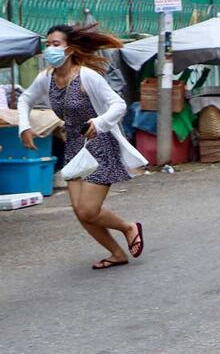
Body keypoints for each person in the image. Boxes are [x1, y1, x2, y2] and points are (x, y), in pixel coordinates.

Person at [19, 24, 144, 270]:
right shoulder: (46, 77)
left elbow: (118, 105)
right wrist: (24, 126)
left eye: (56, 44)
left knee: (88, 209)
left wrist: (99, 122)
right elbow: (25, 99)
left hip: (100, 144)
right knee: (80, 211)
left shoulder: (87, 76)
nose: (50, 49)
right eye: (47, 44)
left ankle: (129, 227)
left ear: (70, 49)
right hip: (74, 146)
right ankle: (117, 253)